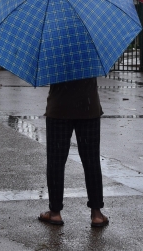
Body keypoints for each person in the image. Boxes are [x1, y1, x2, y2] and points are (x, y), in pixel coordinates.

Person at [37, 77, 108, 228]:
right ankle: (96, 214)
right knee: (92, 162)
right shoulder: (90, 52)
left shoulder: (54, 52)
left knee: (56, 162)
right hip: (88, 107)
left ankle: (55, 213)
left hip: (59, 109)